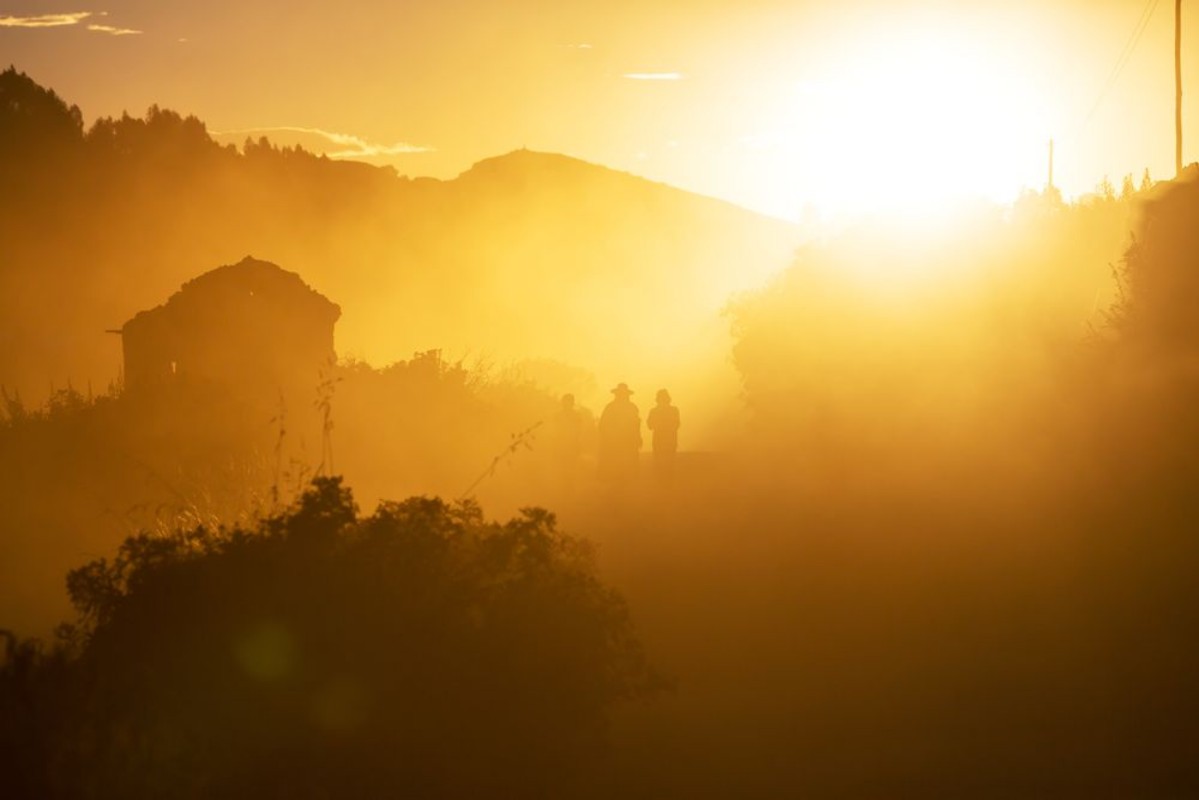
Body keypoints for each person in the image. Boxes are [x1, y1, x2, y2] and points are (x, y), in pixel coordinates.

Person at [597, 383, 641, 482]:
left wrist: (637, 437)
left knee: (624, 465)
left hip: (625, 441)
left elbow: (636, 424)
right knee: (616, 464)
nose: (623, 396)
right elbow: (603, 425)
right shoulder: (614, 407)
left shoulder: (630, 407)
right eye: (621, 394)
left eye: (624, 394)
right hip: (615, 442)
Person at [646, 388, 680, 480]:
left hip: (664, 441)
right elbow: (650, 425)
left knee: (663, 462)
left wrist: (660, 425)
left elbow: (649, 425)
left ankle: (663, 480)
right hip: (666, 441)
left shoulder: (654, 411)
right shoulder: (674, 410)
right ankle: (665, 480)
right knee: (666, 462)